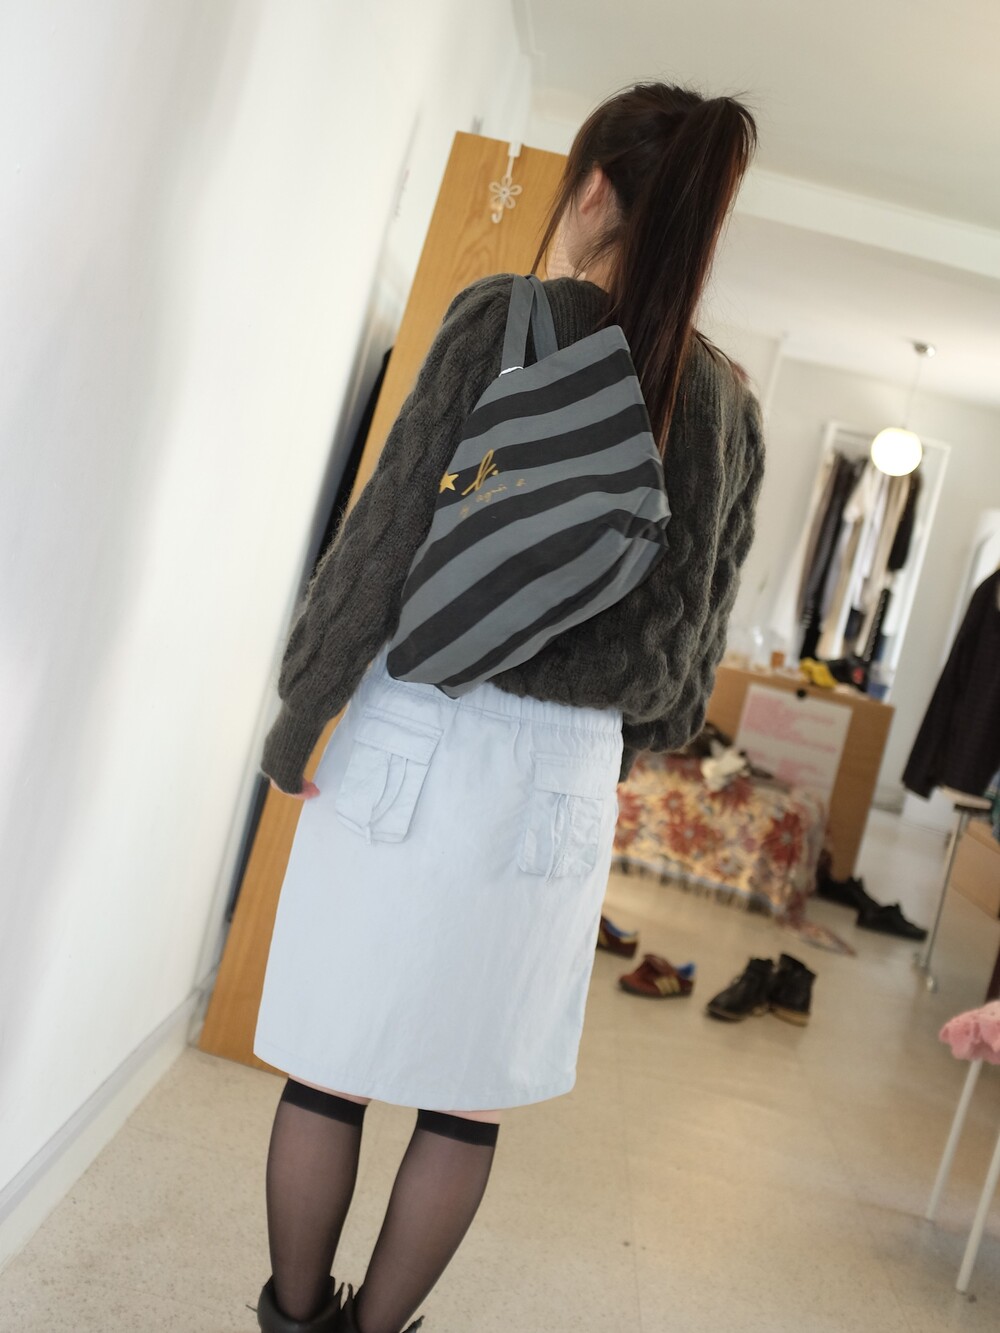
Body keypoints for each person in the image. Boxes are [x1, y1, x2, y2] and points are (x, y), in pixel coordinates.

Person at [252, 81, 765, 1333]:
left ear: (590, 189)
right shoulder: (728, 405)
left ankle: (295, 1320)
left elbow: (382, 540)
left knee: (329, 1066)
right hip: (562, 777)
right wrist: (602, 737)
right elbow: (689, 661)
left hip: (420, 725)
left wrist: (300, 713)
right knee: (464, 1098)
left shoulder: (505, 319)